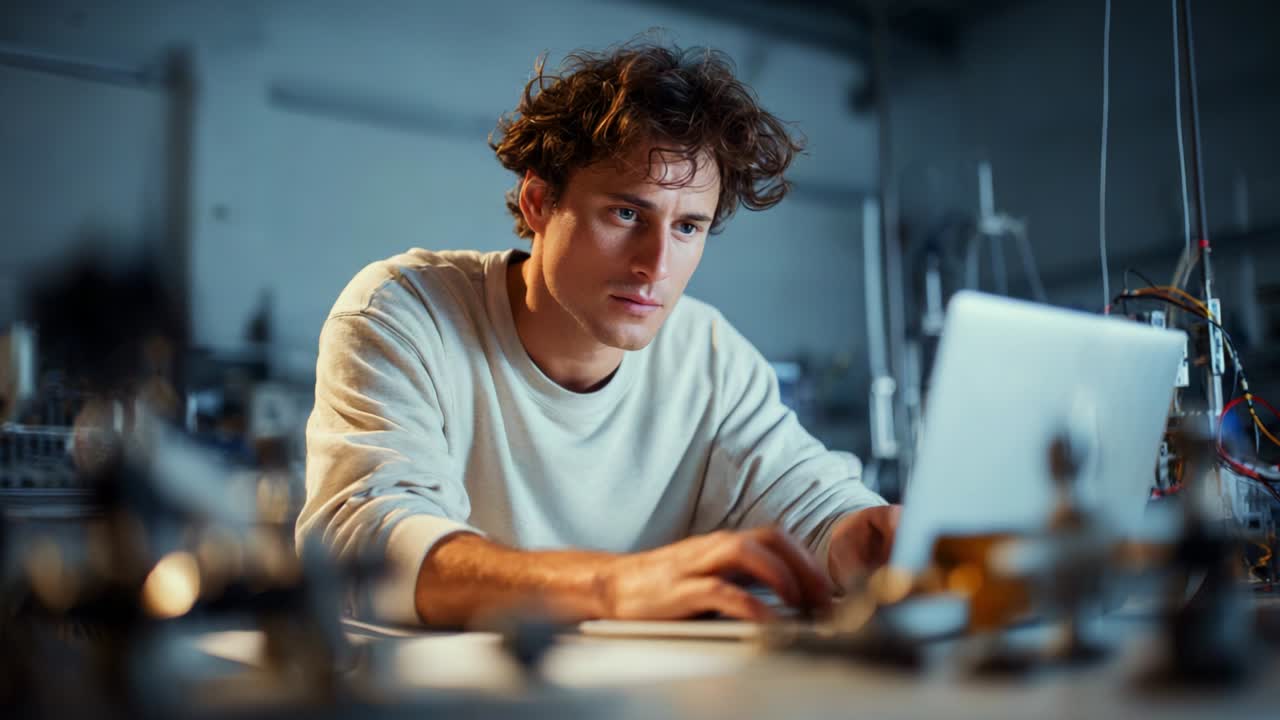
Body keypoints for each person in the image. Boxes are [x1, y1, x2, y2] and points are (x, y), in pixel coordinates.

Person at [298, 42, 901, 628]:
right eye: (627, 213)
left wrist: (867, 537)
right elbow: (365, 547)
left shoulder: (710, 356)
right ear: (538, 202)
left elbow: (813, 505)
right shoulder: (404, 313)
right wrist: (611, 585)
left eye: (689, 226)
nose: (656, 265)